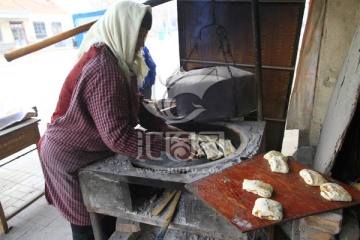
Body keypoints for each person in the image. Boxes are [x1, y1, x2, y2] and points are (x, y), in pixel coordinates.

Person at [38, 1, 195, 239]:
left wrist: (164, 128)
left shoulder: (120, 60)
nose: (141, 43)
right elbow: (119, 138)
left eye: (144, 36)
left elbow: (136, 102)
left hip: (91, 147)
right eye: (137, 35)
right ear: (122, 30)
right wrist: (168, 145)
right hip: (68, 154)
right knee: (87, 223)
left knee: (105, 212)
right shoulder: (104, 68)